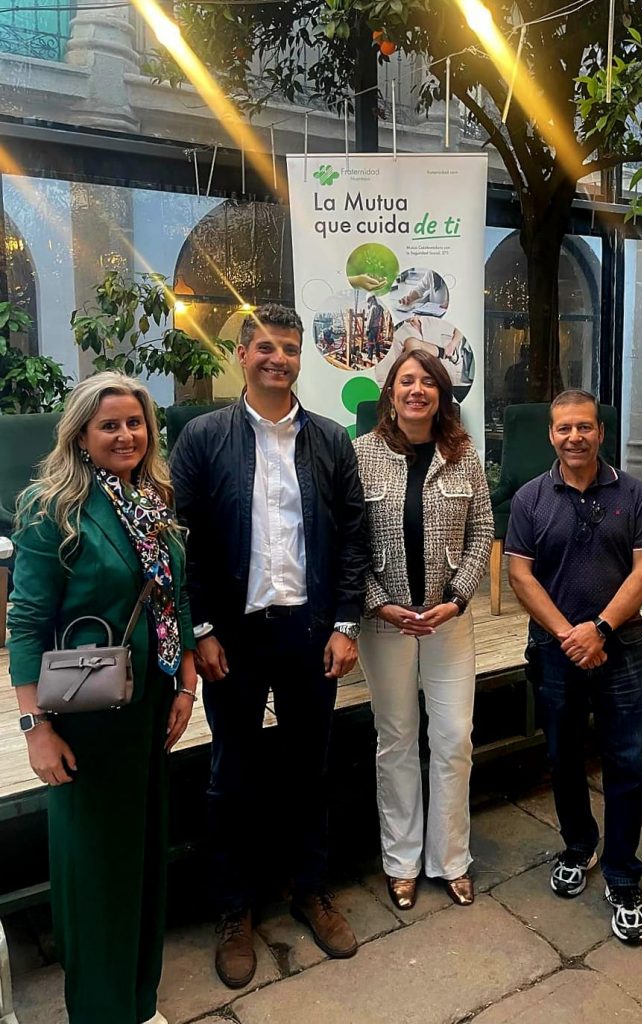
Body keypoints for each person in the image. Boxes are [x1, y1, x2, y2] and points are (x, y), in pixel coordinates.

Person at [170, 303, 369, 989]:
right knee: (233, 774)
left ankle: (311, 890)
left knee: (311, 767)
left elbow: (354, 535)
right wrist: (200, 629)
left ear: (300, 357)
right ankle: (235, 910)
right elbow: (181, 540)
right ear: (242, 355)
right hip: (234, 636)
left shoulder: (331, 440)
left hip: (310, 632)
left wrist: (346, 623)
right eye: (265, 347)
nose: (278, 359)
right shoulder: (203, 437)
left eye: (289, 348)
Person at [8, 372, 198, 1024]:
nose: (125, 435)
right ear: (81, 434)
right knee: (95, 870)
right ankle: (99, 1010)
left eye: (135, 423)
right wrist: (35, 727)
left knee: (141, 859)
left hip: (148, 708)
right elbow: (25, 623)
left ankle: (138, 1001)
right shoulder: (52, 507)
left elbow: (175, 596)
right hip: (84, 718)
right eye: (109, 424)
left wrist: (186, 682)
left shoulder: (152, 499)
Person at [506, 390, 642, 945]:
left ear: (600, 432)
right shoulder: (529, 498)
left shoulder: (635, 494)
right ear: (551, 435)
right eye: (564, 428)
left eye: (585, 427)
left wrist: (599, 629)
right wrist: (569, 636)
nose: (575, 437)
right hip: (555, 651)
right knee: (562, 756)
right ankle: (578, 846)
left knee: (626, 763)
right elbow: (520, 575)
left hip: (621, 648)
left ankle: (622, 875)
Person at [353, 349, 493, 911]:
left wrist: (457, 599)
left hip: (447, 621)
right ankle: (401, 862)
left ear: (441, 395)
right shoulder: (361, 454)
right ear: (391, 392)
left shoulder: (464, 453)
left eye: (428, 382)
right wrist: (378, 603)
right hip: (385, 624)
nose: (417, 390)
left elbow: (482, 530)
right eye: (406, 380)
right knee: (396, 738)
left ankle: (451, 859)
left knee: (454, 738)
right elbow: (347, 540)